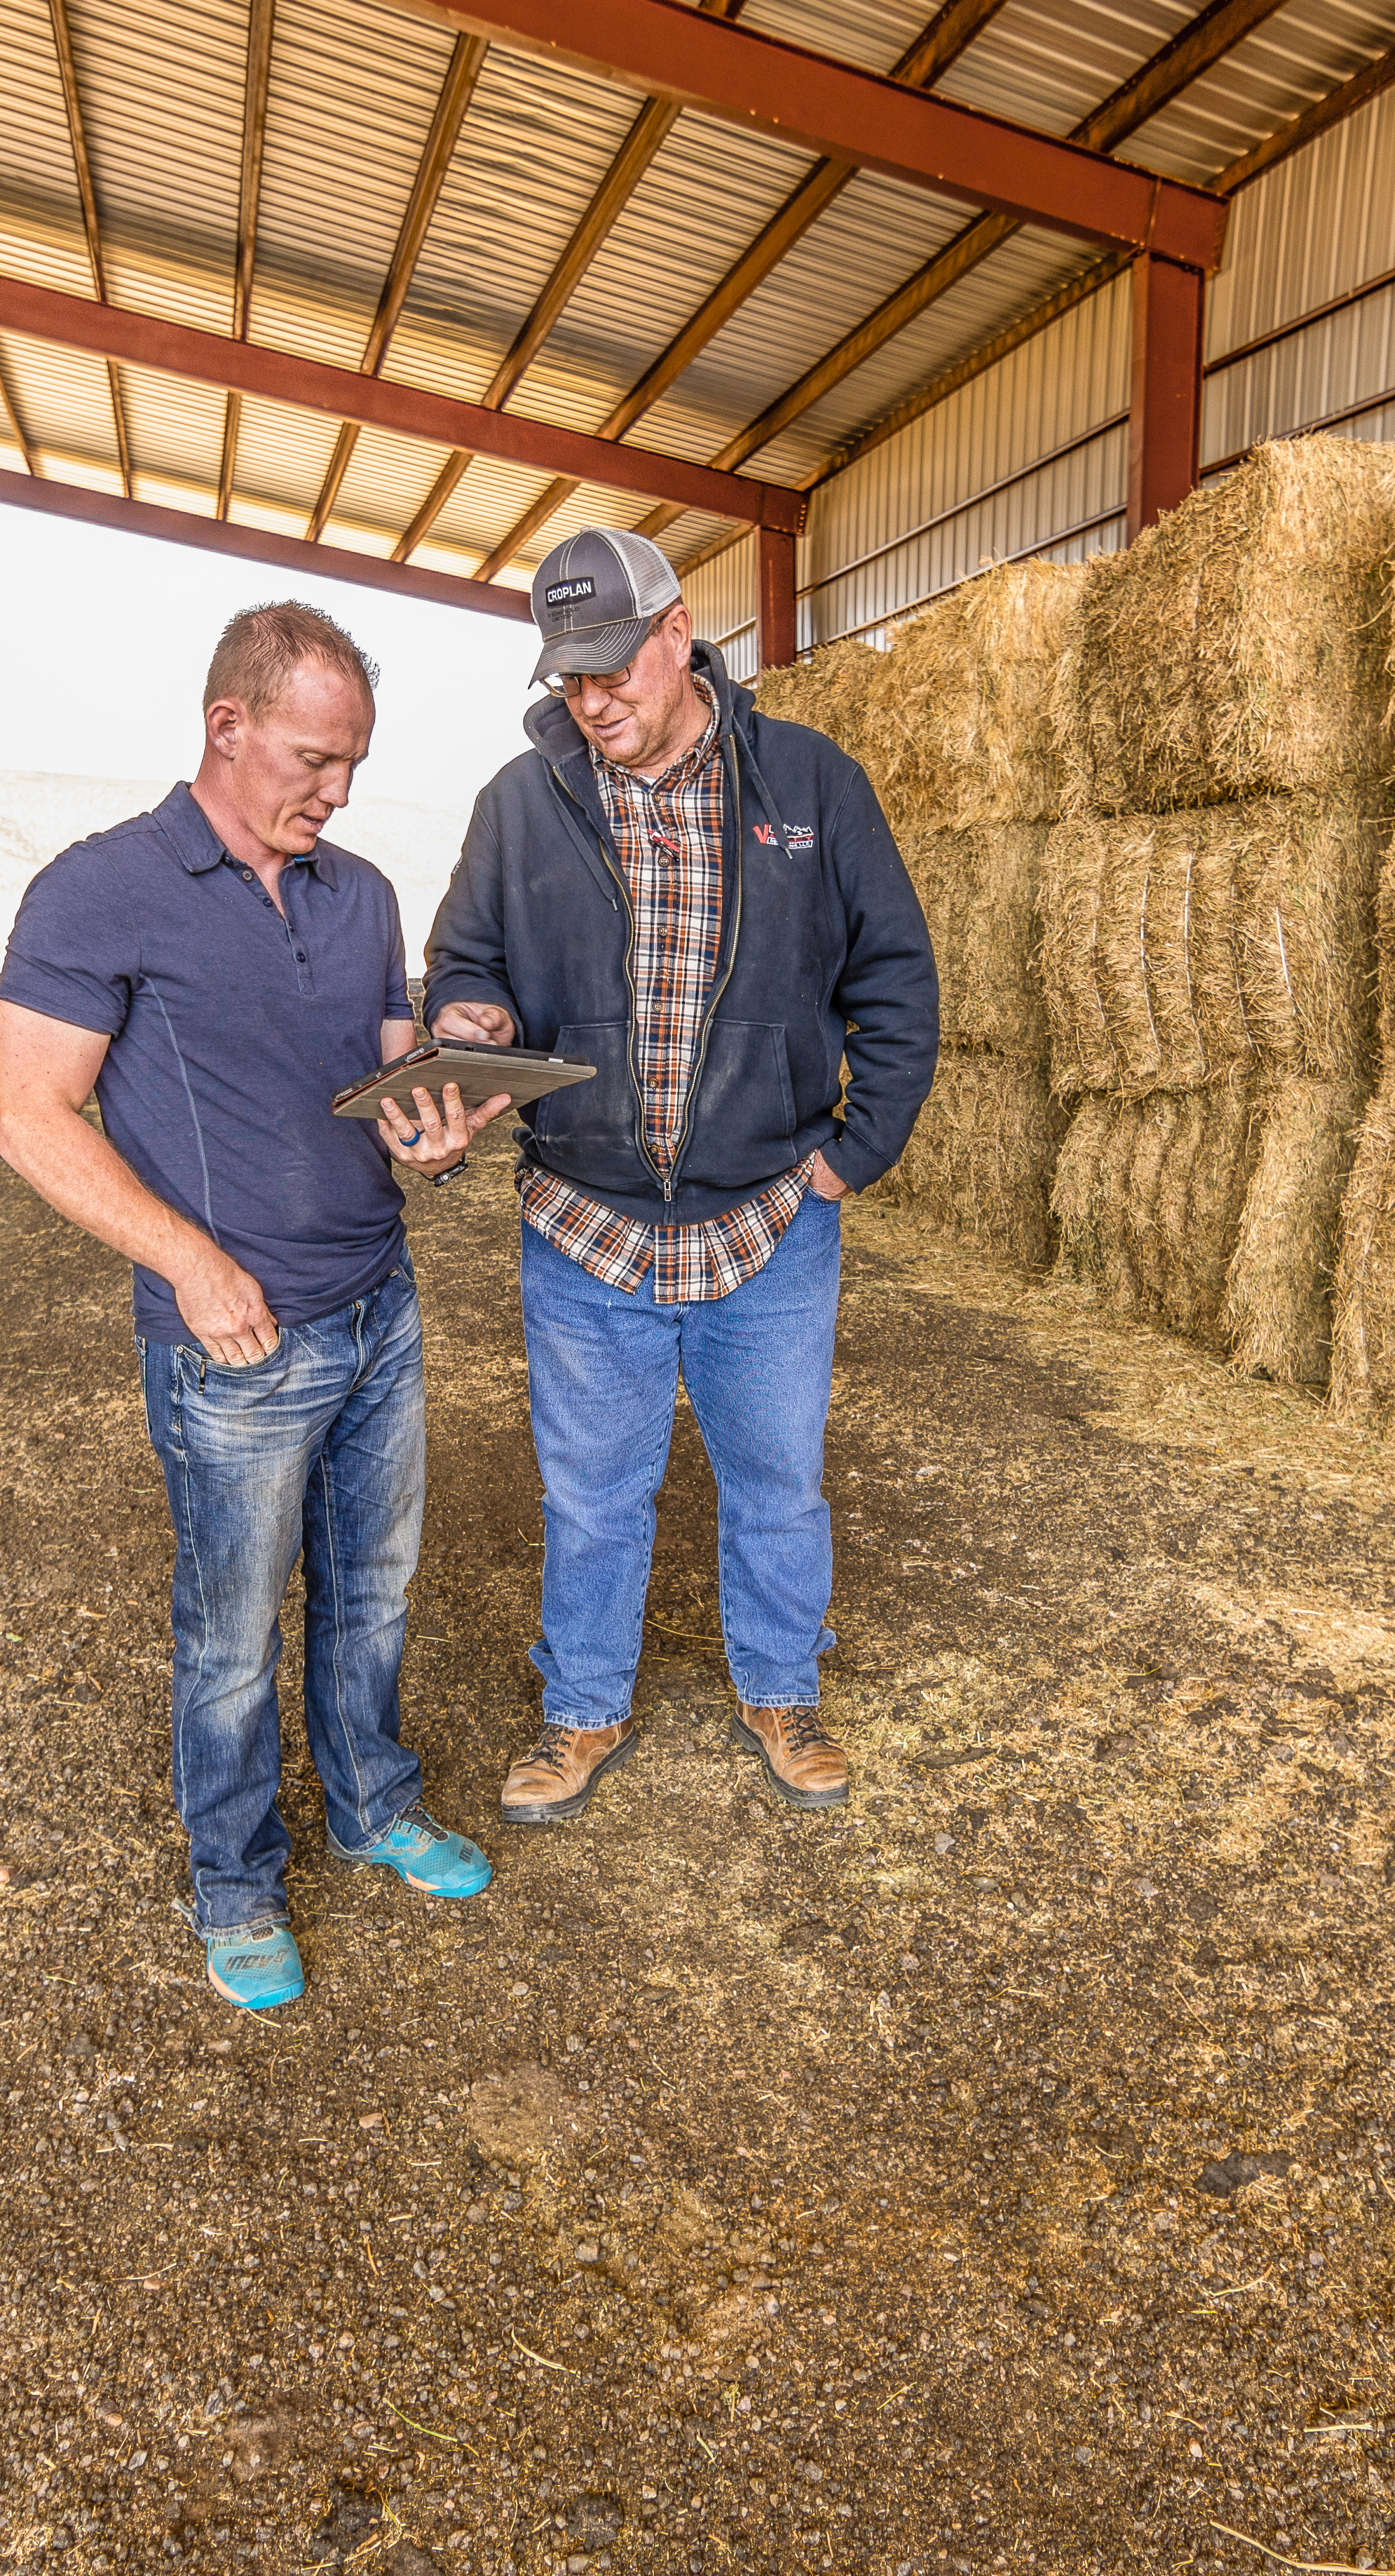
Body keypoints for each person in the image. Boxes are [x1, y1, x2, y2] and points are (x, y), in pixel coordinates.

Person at [0, 601, 513, 2012]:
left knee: (375, 1588)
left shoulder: (362, 894)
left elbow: (390, 1063)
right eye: (313, 757)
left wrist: (434, 1126)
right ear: (227, 725)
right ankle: (235, 1879)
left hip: (378, 1307)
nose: (335, 792)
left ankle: (373, 1803)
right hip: (234, 1343)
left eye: (352, 764)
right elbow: (32, 1116)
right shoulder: (101, 890)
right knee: (232, 1638)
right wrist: (186, 1260)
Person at [424, 528, 937, 1826]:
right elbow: (462, 961)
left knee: (778, 1476)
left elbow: (898, 977)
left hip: (769, 1219)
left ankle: (779, 1686)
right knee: (593, 1489)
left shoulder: (810, 783)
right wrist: (472, 1019)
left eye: (611, 669)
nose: (593, 703)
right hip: (583, 1220)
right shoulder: (518, 804)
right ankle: (582, 1707)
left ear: (678, 631)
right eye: (567, 681)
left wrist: (849, 1153)